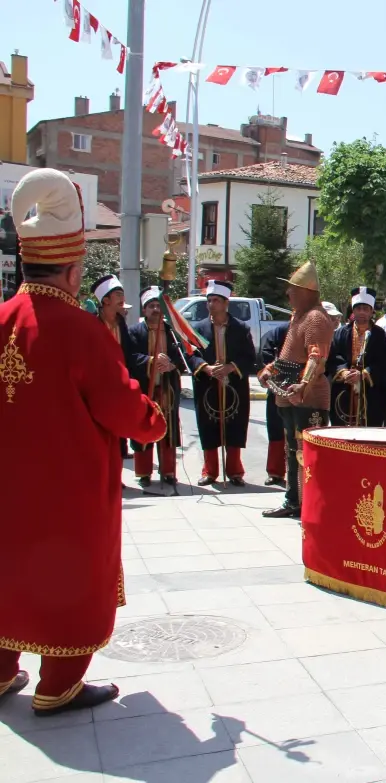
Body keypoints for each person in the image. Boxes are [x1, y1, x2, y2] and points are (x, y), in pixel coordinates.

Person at [0, 168, 166, 715]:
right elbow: (127, 412)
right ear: (73, 271)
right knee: (66, 575)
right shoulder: (80, 330)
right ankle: (59, 683)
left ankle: (1, 669)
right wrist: (155, 419)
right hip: (66, 495)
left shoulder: (1, 318)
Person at [260, 261, 334, 519]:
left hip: (309, 397)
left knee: (307, 453)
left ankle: (310, 503)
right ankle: (294, 500)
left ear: (305, 291)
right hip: (288, 394)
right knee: (292, 451)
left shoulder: (315, 317)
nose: (288, 294)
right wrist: (271, 369)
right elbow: (287, 356)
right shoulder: (298, 316)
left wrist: (304, 384)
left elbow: (316, 357)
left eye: (292, 289)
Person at [188, 280, 255, 486]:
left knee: (234, 426)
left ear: (226, 303)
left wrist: (230, 367)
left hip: (233, 384)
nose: (211, 304)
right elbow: (191, 354)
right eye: (209, 300)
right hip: (207, 384)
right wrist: (206, 368)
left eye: (216, 300)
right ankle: (210, 471)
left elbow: (249, 356)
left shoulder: (240, 328)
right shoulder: (198, 328)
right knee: (209, 427)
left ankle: (235, 471)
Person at [127, 286, 186, 491]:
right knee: (143, 427)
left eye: (158, 306)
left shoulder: (171, 332)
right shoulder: (134, 331)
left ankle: (168, 471)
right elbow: (130, 357)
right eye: (151, 306)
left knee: (168, 428)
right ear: (144, 310)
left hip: (167, 387)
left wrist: (172, 364)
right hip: (145, 388)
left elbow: (183, 356)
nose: (155, 310)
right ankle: (143, 472)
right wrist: (151, 360)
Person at [329, 286, 386, 428]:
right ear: (353, 310)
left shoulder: (379, 334)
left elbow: (383, 362)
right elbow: (334, 357)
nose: (362, 312)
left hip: (370, 391)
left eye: (366, 309)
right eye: (358, 308)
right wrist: (344, 372)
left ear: (371, 312)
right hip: (344, 388)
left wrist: (364, 374)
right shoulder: (341, 332)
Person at [93, 274, 135, 459]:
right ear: (106, 300)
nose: (122, 299)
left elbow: (129, 353)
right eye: (118, 294)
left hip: (119, 386)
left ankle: (115, 480)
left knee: (118, 434)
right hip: (97, 389)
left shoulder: (121, 323)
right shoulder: (92, 325)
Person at [260, 322, 289, 486]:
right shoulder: (279, 331)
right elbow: (267, 354)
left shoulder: (312, 330)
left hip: (303, 388)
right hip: (278, 385)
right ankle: (275, 472)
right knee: (276, 428)